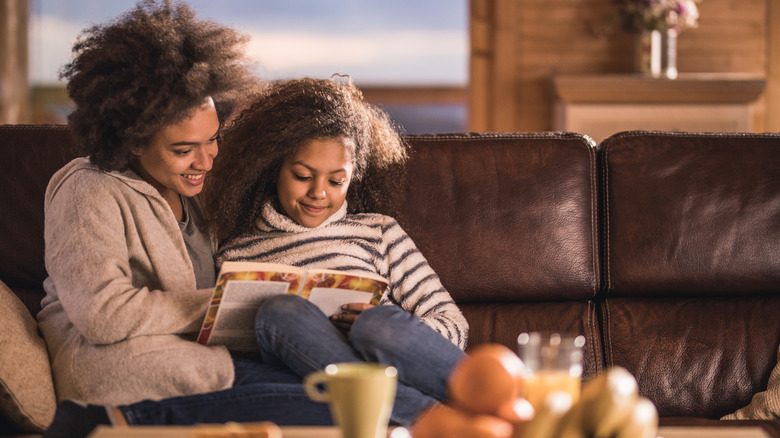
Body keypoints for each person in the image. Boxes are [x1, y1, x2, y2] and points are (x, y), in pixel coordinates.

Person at [38, 2, 341, 437]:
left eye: (213, 139)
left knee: (344, 391)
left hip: (203, 361)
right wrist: (227, 302)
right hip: (124, 370)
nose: (207, 159)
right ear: (132, 139)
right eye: (184, 150)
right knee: (338, 406)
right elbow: (102, 315)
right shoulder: (88, 190)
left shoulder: (199, 193)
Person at [202, 76, 469, 410]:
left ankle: (417, 406)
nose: (319, 193)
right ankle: (424, 415)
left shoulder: (378, 232)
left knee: (376, 324)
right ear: (273, 169)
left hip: (397, 369)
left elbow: (453, 326)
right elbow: (229, 352)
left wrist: (380, 328)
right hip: (310, 385)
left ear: (352, 176)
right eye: (303, 176)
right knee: (281, 313)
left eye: (336, 180)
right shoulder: (236, 253)